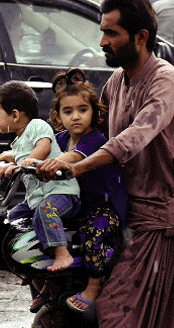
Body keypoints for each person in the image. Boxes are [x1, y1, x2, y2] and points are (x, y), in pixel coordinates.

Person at [38, 0, 174, 328]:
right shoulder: (114, 83)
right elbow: (88, 133)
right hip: (118, 211)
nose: (102, 40)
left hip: (158, 219)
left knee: (116, 313)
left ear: (141, 37)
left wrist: (80, 167)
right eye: (102, 31)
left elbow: (132, 139)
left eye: (112, 32)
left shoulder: (163, 81)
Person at [44, 69, 128, 312]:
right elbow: (40, 151)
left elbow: (72, 157)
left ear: (94, 112)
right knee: (41, 224)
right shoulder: (59, 139)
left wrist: (57, 161)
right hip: (78, 204)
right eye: (68, 112)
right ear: (58, 117)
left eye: (83, 110)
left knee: (93, 232)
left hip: (107, 205)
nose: (76, 117)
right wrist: (19, 160)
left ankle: (93, 286)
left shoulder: (95, 139)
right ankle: (46, 285)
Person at [0, 81, 81, 272]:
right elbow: (23, 158)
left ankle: (61, 253)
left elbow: (43, 146)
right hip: (37, 197)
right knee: (11, 217)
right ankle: (22, 258)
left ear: (15, 115)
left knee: (45, 210)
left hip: (62, 192)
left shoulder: (37, 126)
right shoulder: (19, 140)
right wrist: (10, 162)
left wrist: (30, 160)